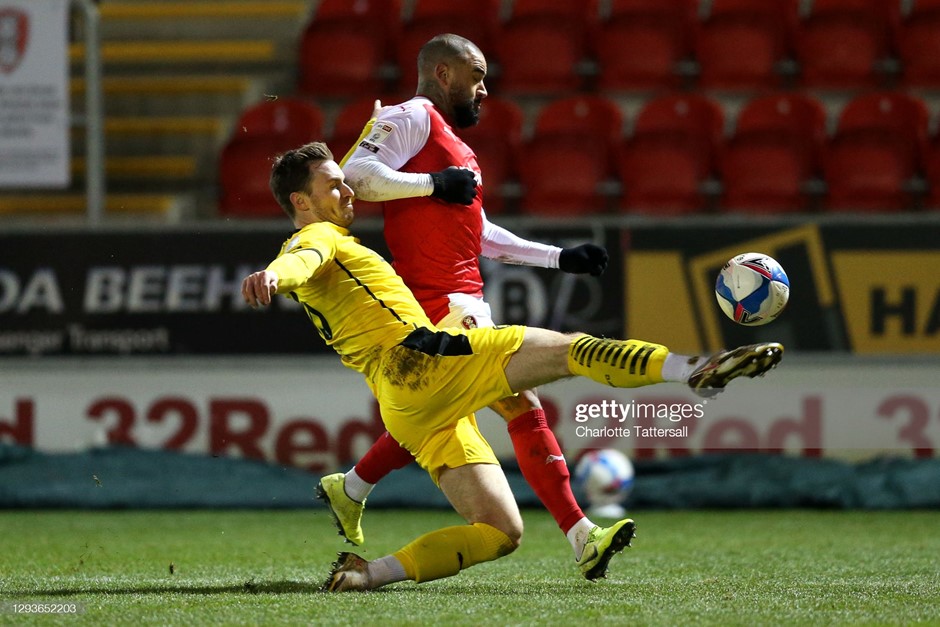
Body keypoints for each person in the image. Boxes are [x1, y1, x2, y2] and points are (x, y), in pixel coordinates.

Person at [241, 141, 783, 591]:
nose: (346, 189)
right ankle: (693, 369)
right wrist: (272, 273)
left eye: (344, 179)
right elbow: (299, 258)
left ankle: (368, 573)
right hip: (423, 361)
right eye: (332, 184)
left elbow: (303, 263)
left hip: (404, 405)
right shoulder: (318, 236)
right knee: (571, 350)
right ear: (301, 201)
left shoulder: (330, 238)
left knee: (500, 530)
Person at [320, 33, 616, 577]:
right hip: (436, 302)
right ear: (443, 73)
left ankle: (352, 485)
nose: (485, 88)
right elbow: (355, 175)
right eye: (477, 76)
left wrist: (559, 258)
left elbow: (476, 232)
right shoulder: (413, 116)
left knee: (438, 411)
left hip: (459, 296)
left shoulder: (453, 145)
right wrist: (432, 181)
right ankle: (582, 536)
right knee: (520, 402)